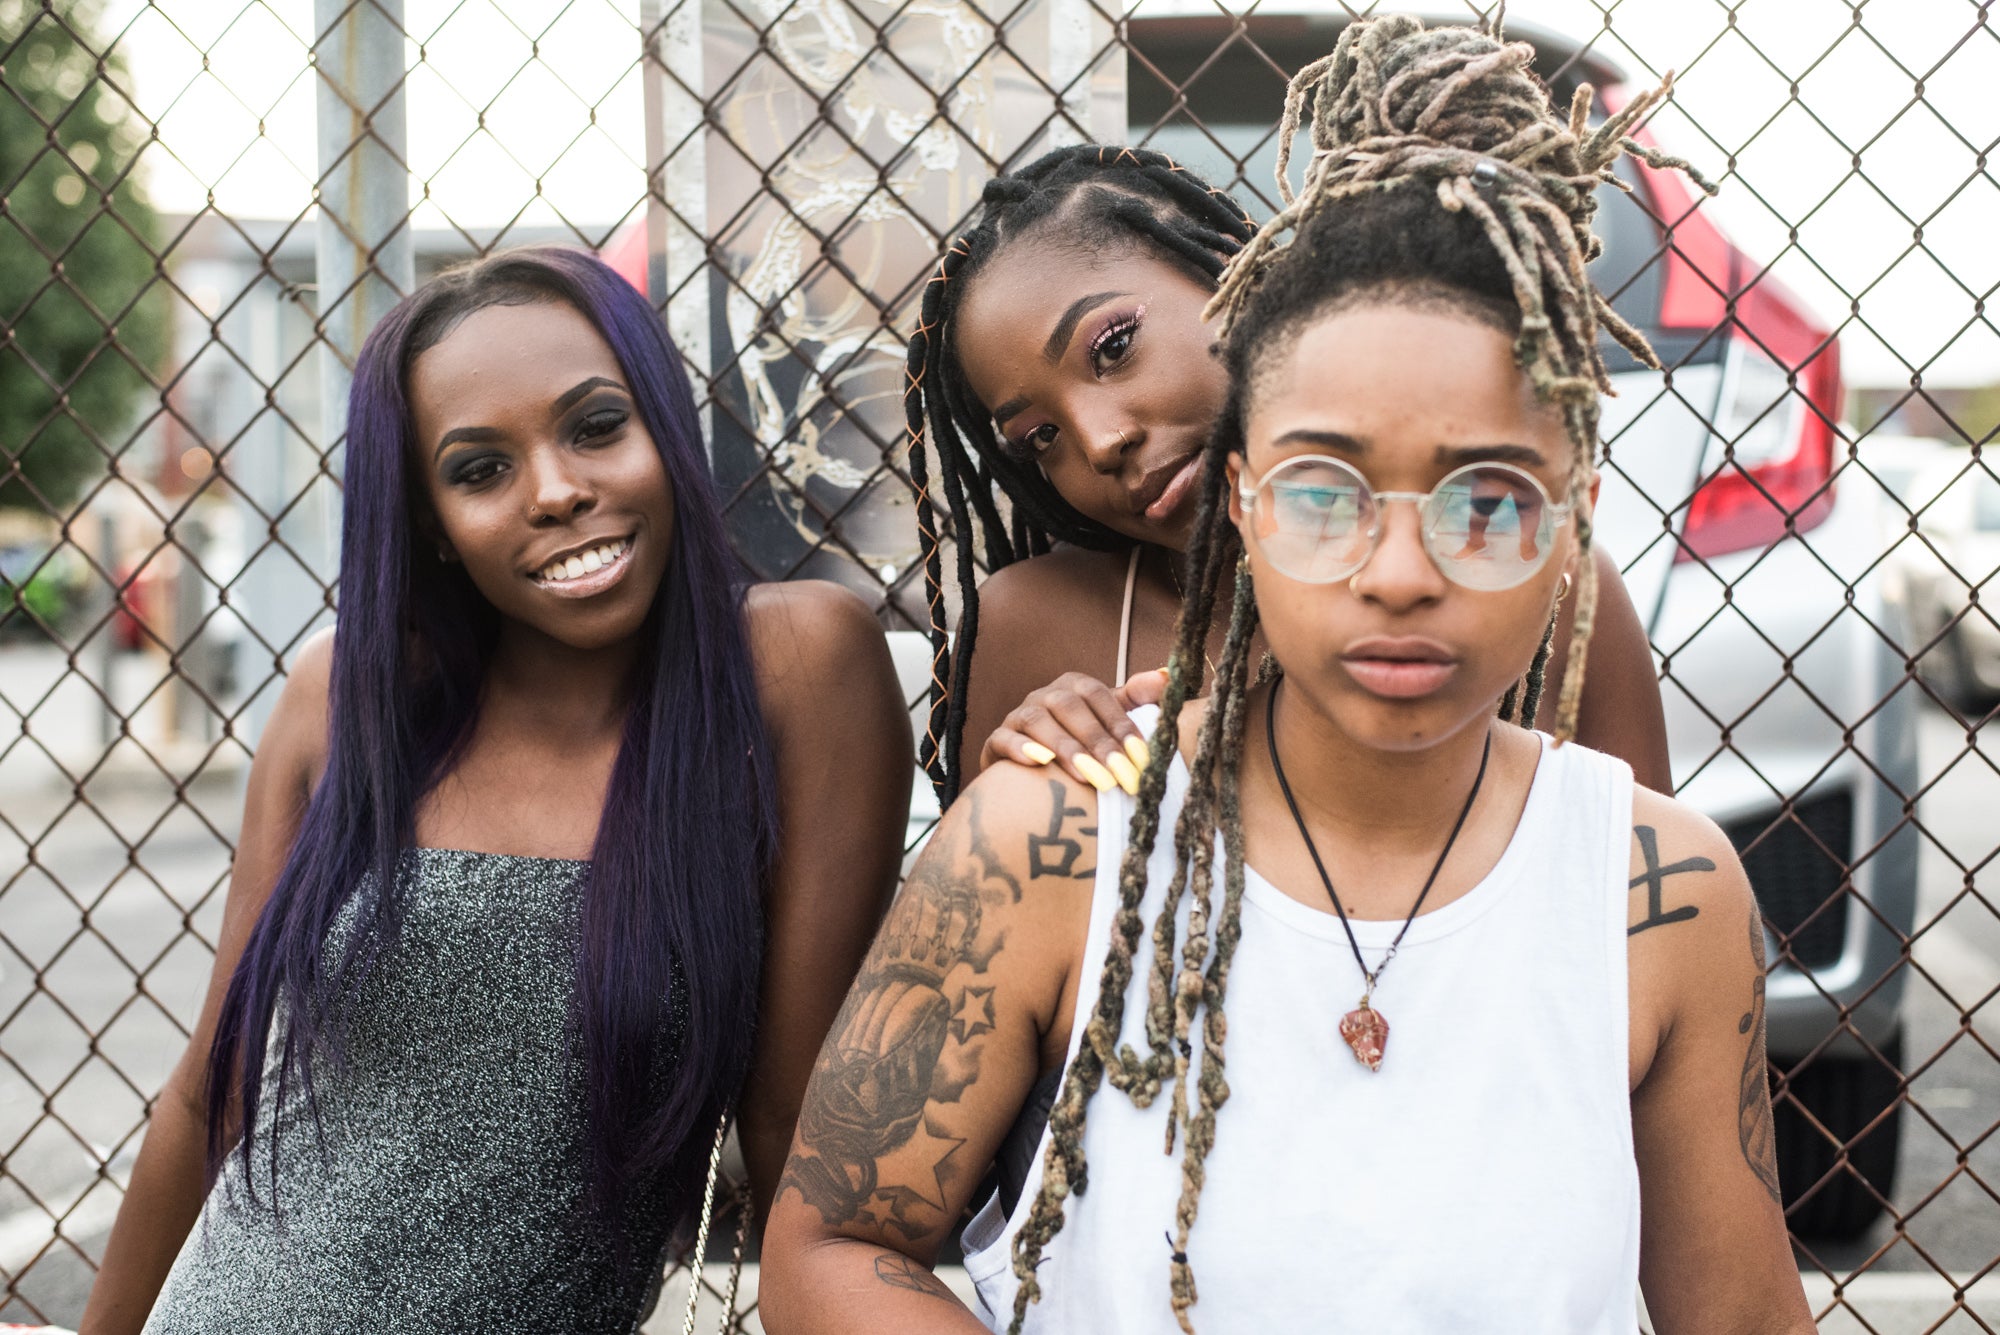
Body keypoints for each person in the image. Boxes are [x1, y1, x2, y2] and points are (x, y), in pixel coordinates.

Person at [761, 15, 1812, 1334]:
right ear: (1256, 504)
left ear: (1569, 514)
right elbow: (846, 1231)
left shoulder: (1652, 883)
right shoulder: (1056, 821)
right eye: (1327, 492)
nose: (1399, 567)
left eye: (1483, 499)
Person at [78, 247, 912, 1333]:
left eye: (596, 426)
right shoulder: (348, 701)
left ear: (664, 428)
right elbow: (211, 1091)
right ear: (429, 518)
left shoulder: (798, 666)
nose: (558, 490)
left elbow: (793, 1123)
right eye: (480, 471)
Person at [902, 84, 1673, 809]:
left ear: (1235, 277)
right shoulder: (1034, 625)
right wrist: (1024, 782)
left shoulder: (1540, 572)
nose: (1102, 442)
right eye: (1041, 437)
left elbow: (1634, 897)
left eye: (1113, 347)